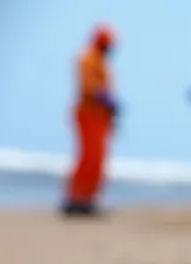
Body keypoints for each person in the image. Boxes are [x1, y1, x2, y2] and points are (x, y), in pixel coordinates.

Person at [61, 24, 120, 217]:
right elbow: (89, 87)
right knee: (88, 157)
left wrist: (112, 111)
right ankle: (75, 198)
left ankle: (89, 199)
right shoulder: (88, 58)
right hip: (88, 114)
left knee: (99, 159)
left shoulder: (102, 62)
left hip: (101, 117)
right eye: (108, 43)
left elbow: (106, 89)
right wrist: (105, 97)